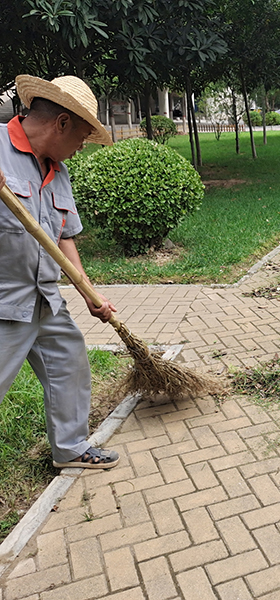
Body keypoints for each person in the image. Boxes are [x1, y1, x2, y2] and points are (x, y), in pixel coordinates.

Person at [0, 74, 120, 468]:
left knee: (69, 361)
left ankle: (70, 449)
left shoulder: (58, 172)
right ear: (62, 123)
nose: (83, 145)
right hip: (4, 302)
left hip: (45, 298)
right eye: (83, 134)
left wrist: (89, 292)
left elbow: (64, 236)